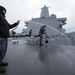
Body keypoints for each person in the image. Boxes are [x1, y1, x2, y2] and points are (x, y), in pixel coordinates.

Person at [0, 6, 20, 73]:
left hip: (4, 37)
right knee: (0, 52)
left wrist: (16, 23)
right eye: (4, 10)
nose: (5, 12)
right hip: (0, 37)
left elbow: (10, 26)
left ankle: (0, 62)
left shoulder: (4, 19)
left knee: (3, 52)